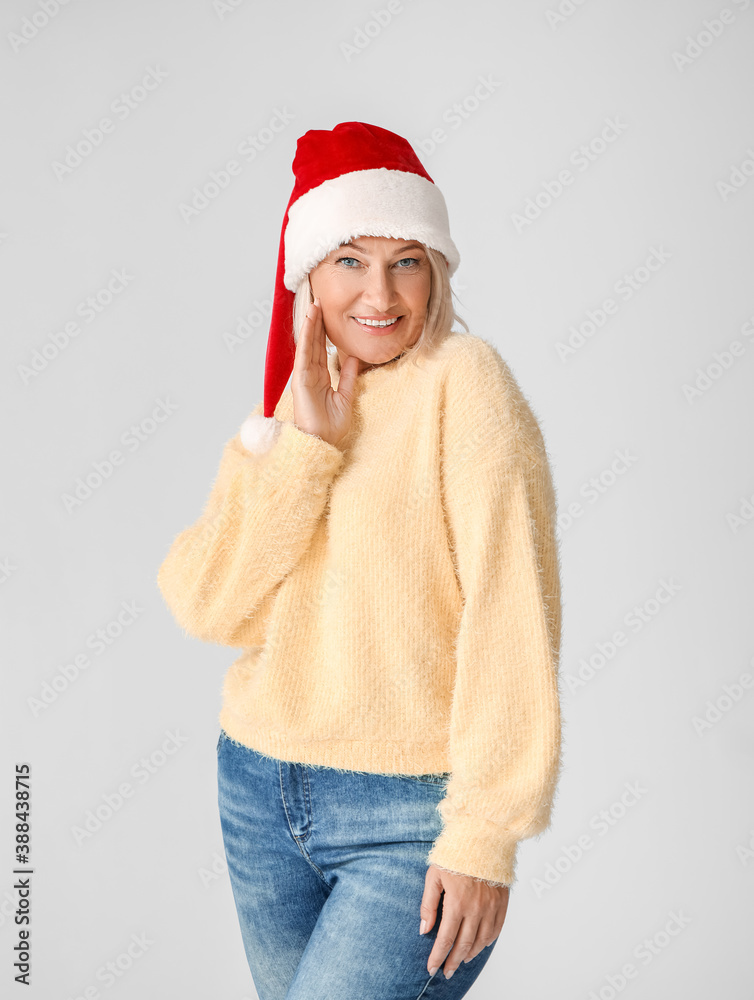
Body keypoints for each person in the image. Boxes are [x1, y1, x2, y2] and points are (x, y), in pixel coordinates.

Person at [157, 121, 563, 999]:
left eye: (406, 260)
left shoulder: (466, 384)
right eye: (349, 260)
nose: (380, 294)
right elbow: (205, 605)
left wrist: (485, 833)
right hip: (258, 793)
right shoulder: (286, 417)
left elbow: (511, 614)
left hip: (410, 819)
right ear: (307, 276)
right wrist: (306, 450)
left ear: (437, 272)